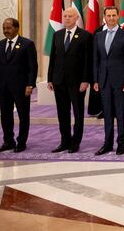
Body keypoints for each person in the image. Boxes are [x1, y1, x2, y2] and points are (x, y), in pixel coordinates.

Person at [47, 9, 93, 153]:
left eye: (70, 16)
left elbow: (88, 61)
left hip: (77, 82)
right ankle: (65, 141)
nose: (67, 19)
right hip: (59, 81)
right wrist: (50, 79)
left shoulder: (85, 36)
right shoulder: (57, 35)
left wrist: (86, 80)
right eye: (65, 16)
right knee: (62, 113)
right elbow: (53, 59)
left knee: (78, 113)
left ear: (76, 18)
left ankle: (75, 141)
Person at [92, 6, 124, 156]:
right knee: (107, 114)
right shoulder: (98, 36)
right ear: (104, 17)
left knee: (120, 113)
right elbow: (96, 60)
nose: (111, 18)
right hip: (103, 80)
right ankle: (107, 144)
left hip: (120, 81)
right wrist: (95, 80)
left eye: (113, 15)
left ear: (118, 17)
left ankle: (121, 143)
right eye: (108, 16)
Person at [0, 18, 37, 153]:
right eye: (4, 28)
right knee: (5, 115)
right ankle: (8, 141)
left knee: (23, 115)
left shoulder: (27, 44)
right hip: (3, 87)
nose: (6, 31)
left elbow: (32, 67)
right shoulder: (0, 44)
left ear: (17, 28)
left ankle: (21, 142)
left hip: (21, 87)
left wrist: (30, 84)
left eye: (9, 28)